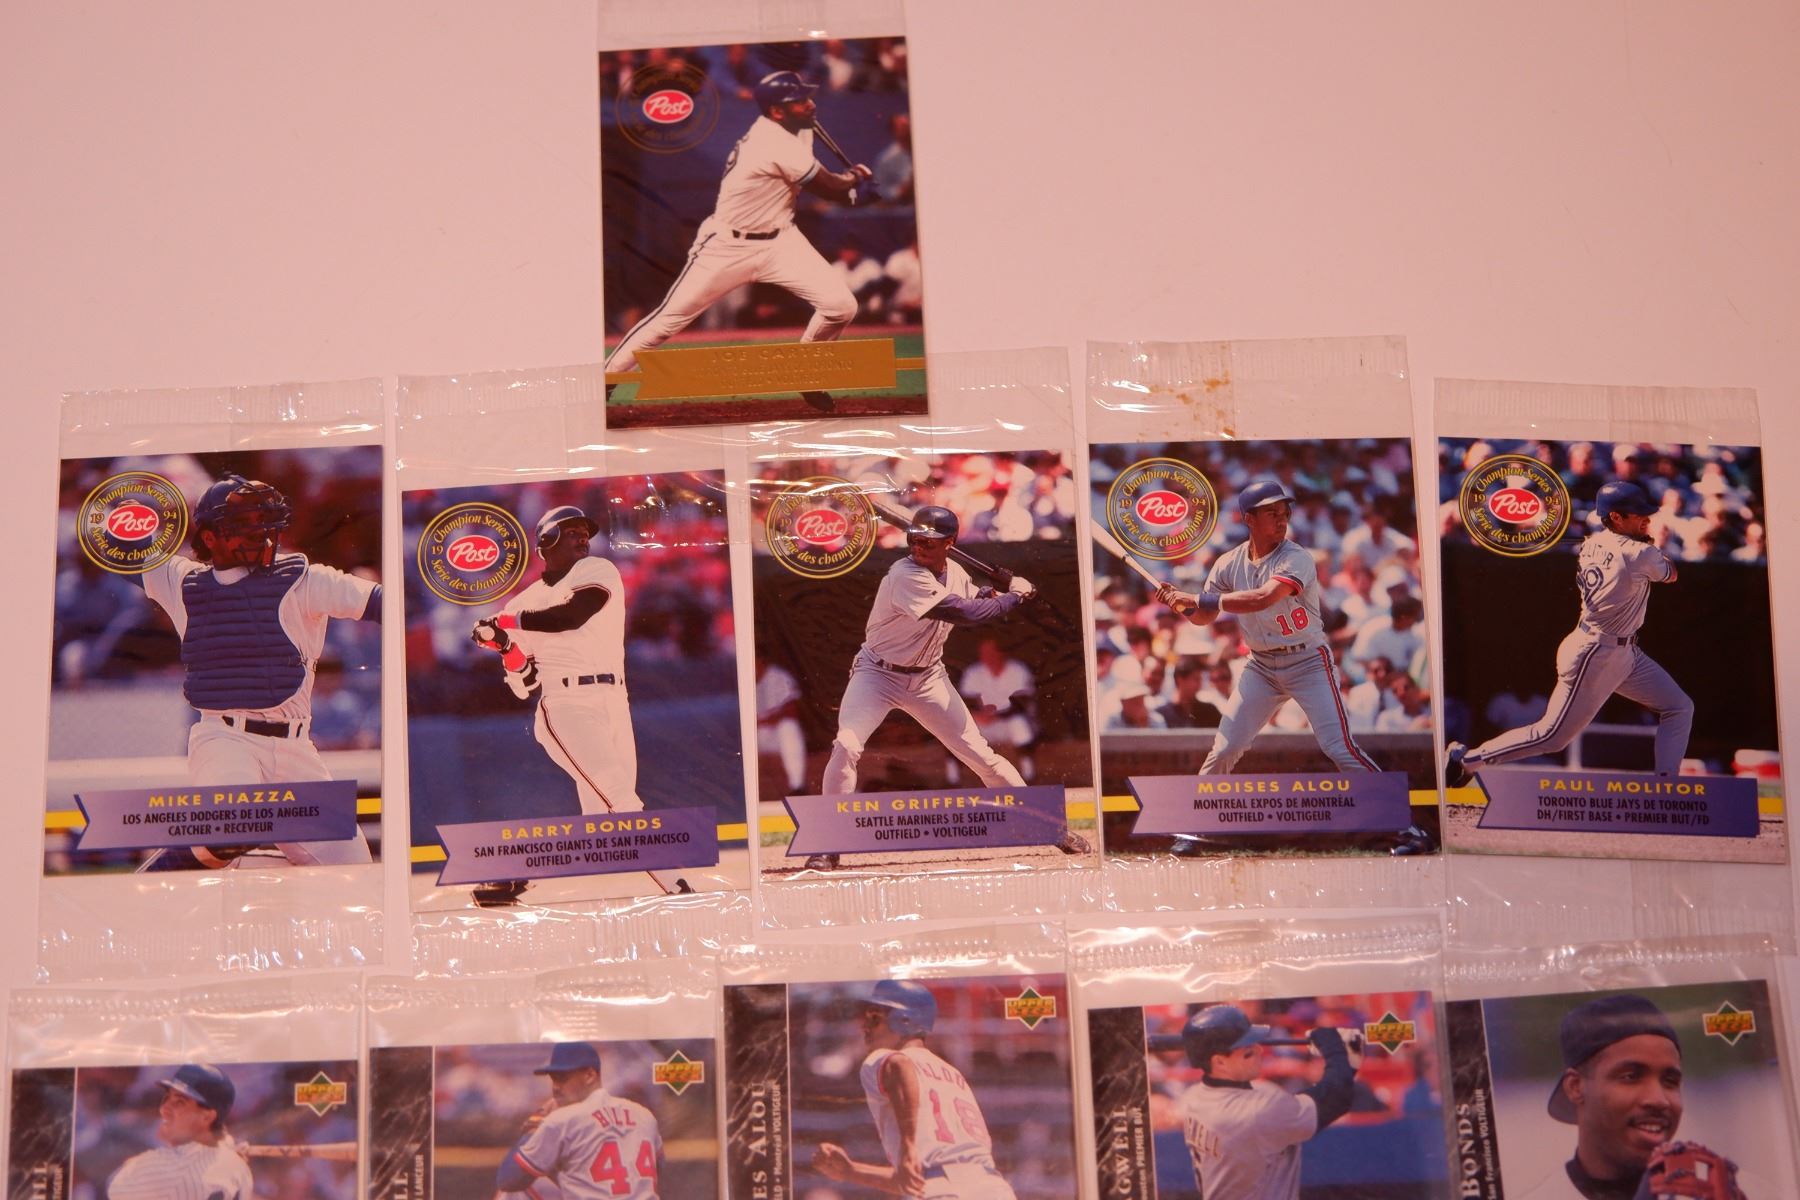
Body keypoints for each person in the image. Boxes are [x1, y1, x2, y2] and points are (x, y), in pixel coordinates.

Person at [806, 505, 1089, 870]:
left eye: (929, 541)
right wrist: (1015, 596)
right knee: (846, 744)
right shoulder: (903, 573)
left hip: (928, 678)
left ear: (949, 543)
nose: (919, 546)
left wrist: (996, 590)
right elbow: (964, 613)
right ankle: (827, 843)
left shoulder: (955, 572)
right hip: (877, 674)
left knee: (981, 756)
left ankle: (1050, 828)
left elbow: (974, 598)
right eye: (915, 539)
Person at [138, 474, 378, 871]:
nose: (260, 533)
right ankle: (151, 881)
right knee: (231, 828)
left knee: (352, 871)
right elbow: (120, 550)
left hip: (296, 748)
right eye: (244, 524)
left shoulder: (305, 578)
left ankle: (243, 864)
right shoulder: (181, 579)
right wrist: (137, 509)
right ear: (210, 537)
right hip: (226, 738)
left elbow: (382, 601)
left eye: (263, 521)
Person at [604, 70, 875, 412]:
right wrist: (856, 178)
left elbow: (831, 186)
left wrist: (852, 190)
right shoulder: (771, 142)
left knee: (841, 306)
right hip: (727, 245)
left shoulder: (798, 129)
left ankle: (808, 372)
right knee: (668, 320)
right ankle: (607, 379)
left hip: (781, 241)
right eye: (799, 101)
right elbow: (831, 188)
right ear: (776, 112)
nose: (810, 104)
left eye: (807, 97)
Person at [469, 506, 693, 905]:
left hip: (614, 701)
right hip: (566, 706)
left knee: (603, 830)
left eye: (584, 531)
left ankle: (508, 875)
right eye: (570, 530)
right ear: (546, 541)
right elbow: (525, 683)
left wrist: (503, 625)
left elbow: (569, 616)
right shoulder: (524, 602)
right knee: (622, 802)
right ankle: (680, 889)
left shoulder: (597, 570)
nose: (582, 537)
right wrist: (503, 647)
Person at [1446, 481, 1694, 787]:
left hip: (1623, 652)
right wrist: (1653, 546)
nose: (1646, 519)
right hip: (1597, 651)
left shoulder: (1592, 543)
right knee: (1551, 736)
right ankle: (1468, 759)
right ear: (1615, 517)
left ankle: (1666, 786)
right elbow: (1671, 574)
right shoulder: (1638, 552)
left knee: (1679, 707)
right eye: (1638, 514)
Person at [1154, 480, 1382, 778]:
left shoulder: (1296, 556)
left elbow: (1263, 597)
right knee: (1224, 749)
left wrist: (1194, 598)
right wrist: (1181, 606)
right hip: (1261, 666)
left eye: (1284, 513)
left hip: (1308, 662)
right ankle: (1197, 809)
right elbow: (1203, 617)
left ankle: (1396, 808)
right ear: (1249, 519)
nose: (1282, 519)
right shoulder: (1228, 563)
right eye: (1272, 513)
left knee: (1338, 747)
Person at [1521, 994, 1744, 1199]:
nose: (1659, 1099)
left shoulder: (1735, 1190)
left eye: (1670, 1081)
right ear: (1575, 1087)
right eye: (1630, 1076)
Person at [812, 980, 1015, 1199]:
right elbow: (920, 1179)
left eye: (875, 1018)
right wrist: (851, 1172)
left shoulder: (884, 1058)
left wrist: (909, 1147)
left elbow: (900, 1065)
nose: (865, 1026)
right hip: (993, 1187)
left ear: (904, 1020)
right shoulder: (954, 1074)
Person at [1173, 1006, 1359, 1200]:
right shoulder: (1258, 1110)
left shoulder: (1193, 1097)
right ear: (1219, 1063)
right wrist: (1335, 1051)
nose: (1260, 1050)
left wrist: (1344, 1069)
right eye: (1248, 1052)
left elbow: (1294, 1105)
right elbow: (1337, 1098)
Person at [497, 1043, 662, 1200]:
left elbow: (509, 1180)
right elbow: (657, 1168)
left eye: (562, 1078)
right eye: (554, 1079)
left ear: (589, 1076)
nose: (555, 1087)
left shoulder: (562, 1119)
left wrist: (536, 1123)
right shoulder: (644, 1115)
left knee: (517, 1191)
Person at [107, 1064, 255, 1200]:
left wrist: (135, 1162)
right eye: (167, 1099)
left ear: (207, 1117)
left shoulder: (168, 1169)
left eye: (179, 1102)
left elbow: (114, 1188)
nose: (164, 1109)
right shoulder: (239, 1168)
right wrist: (225, 1152)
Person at [958, 635, 1037, 780]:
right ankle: (953, 778)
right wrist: (976, 714)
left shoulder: (1018, 670)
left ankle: (1029, 774)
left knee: (1019, 724)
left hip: (1008, 723)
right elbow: (965, 700)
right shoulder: (973, 672)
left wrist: (996, 716)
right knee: (957, 728)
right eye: (983, 652)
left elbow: (1022, 703)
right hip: (982, 723)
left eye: (991, 652)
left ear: (1001, 652)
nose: (987, 656)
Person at [756, 656, 807, 795]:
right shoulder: (739, 678)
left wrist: (770, 720)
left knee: (789, 727)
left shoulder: (778, 676)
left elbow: (792, 710)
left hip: (773, 733)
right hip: (753, 736)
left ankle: (797, 787)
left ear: (760, 659)